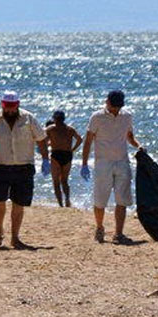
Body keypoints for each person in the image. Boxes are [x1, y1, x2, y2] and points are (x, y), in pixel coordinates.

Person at [0, 91, 49, 249]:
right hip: (0, 166)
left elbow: (41, 139)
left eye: (12, 107)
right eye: (7, 107)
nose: (9, 111)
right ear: (2, 105)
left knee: (18, 203)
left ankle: (15, 237)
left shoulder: (29, 118)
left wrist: (46, 159)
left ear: (18, 105)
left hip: (24, 167)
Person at [81, 90, 143, 244]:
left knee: (122, 199)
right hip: (103, 163)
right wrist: (84, 163)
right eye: (112, 105)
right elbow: (88, 140)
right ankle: (100, 228)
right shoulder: (97, 117)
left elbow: (129, 137)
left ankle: (118, 233)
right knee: (100, 199)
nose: (114, 109)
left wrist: (138, 146)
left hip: (122, 162)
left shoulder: (127, 116)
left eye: (117, 107)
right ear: (107, 102)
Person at [44, 110, 82, 207]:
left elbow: (43, 140)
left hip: (56, 154)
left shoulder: (50, 129)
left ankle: (60, 204)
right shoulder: (70, 129)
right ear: (63, 119)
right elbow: (80, 139)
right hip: (67, 155)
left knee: (56, 182)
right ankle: (67, 199)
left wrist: (48, 146)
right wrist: (72, 149)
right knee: (64, 180)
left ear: (54, 119)